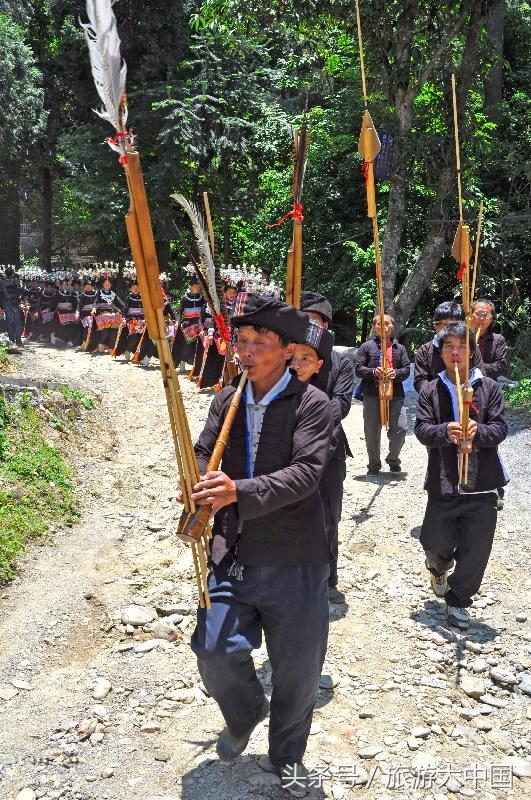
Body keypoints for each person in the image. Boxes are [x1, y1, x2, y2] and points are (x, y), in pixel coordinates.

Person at [190, 293, 334, 795]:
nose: (246, 352)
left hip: (298, 558)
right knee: (211, 645)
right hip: (234, 550)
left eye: (259, 343)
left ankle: (287, 755)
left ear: (289, 351)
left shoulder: (313, 404)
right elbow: (207, 447)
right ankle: (247, 709)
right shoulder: (227, 399)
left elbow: (306, 474)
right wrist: (199, 476)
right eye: (242, 342)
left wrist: (238, 491)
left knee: (298, 670)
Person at [414, 321, 508, 629]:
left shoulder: (489, 388)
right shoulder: (431, 388)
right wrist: (446, 430)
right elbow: (422, 430)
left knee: (477, 548)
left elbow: (500, 428)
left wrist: (477, 430)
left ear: (473, 352)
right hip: (444, 479)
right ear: (440, 353)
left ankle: (458, 601)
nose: (455, 353)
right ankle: (439, 566)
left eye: (462, 347)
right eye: (449, 347)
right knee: (433, 538)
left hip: (483, 483)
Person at [299, 291, 355, 604]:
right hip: (289, 452)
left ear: (326, 326)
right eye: (304, 320)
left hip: (329, 451)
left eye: (316, 321)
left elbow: (341, 404)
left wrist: (306, 417)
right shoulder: (286, 357)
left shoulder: (340, 364)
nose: (310, 326)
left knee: (328, 518)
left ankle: (328, 577)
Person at [355, 313, 410, 475]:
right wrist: (373, 371)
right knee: (371, 430)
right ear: (375, 327)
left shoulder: (400, 349)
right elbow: (358, 368)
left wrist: (396, 373)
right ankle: (373, 464)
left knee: (401, 428)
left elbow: (406, 369)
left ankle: (393, 459)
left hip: (396, 394)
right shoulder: (366, 347)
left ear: (393, 326)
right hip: (372, 394)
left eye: (387, 323)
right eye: (379, 324)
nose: (383, 327)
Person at [414, 300, 485, 394]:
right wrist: (435, 396)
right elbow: (420, 381)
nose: (446, 329)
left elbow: (480, 375)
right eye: (442, 324)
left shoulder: (470, 348)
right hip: (436, 403)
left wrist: (468, 393)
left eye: (450, 324)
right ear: (435, 326)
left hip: (467, 401)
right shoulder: (424, 351)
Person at [171, 275, 205, 372]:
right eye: (195, 285)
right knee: (187, 345)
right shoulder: (185, 298)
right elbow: (180, 311)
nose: (197, 287)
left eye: (199, 286)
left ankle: (197, 366)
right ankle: (182, 363)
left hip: (199, 325)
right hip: (188, 325)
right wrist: (178, 321)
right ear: (190, 286)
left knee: (199, 346)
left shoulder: (202, 299)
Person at [472, 298, 507, 380]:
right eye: (478, 314)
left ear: (492, 319)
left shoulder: (498, 340)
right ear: (470, 315)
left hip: (487, 386)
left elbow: (501, 367)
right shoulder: (461, 337)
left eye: (486, 315)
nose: (482, 319)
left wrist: (474, 366)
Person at [112, 279, 145, 361]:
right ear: (130, 289)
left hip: (142, 320)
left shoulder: (143, 297)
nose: (136, 288)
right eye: (134, 287)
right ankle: (128, 351)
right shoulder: (129, 297)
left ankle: (138, 354)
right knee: (133, 337)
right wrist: (124, 318)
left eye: (137, 287)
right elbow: (125, 309)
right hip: (132, 320)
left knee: (141, 338)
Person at [91, 277, 125, 353]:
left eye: (108, 284)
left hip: (113, 314)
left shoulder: (113, 294)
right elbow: (95, 302)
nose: (107, 285)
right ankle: (101, 345)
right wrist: (94, 308)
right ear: (102, 284)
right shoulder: (99, 293)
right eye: (105, 283)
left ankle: (111, 347)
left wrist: (125, 309)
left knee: (114, 331)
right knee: (105, 331)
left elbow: (121, 304)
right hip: (102, 314)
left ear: (111, 285)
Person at [0, 266, 23, 347]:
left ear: (5, 273)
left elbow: (2, 293)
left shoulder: (1, 282)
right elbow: (19, 291)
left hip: (6, 302)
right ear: (13, 273)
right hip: (15, 302)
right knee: (17, 322)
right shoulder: (15, 280)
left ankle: (11, 340)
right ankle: (19, 341)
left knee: (9, 321)